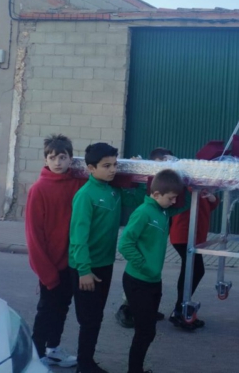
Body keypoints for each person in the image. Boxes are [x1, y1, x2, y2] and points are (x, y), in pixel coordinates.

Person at [69, 142, 140, 373]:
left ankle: (87, 361)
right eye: (106, 166)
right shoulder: (85, 195)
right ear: (91, 168)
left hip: (105, 265)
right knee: (89, 320)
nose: (113, 170)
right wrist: (83, 270)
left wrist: (136, 174)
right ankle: (84, 365)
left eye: (115, 165)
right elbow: (78, 237)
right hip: (86, 268)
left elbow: (137, 200)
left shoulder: (113, 190)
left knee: (96, 317)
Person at [118, 169, 186, 373]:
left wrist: (191, 185)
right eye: (171, 198)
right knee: (144, 331)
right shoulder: (144, 212)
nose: (174, 202)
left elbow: (185, 204)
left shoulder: (163, 211)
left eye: (175, 198)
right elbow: (125, 244)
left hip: (153, 280)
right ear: (156, 194)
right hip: (138, 281)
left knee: (148, 331)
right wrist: (145, 266)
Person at [25, 134, 84, 368]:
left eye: (62, 157)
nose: (58, 162)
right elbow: (34, 236)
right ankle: (35, 355)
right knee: (46, 311)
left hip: (71, 263)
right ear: (45, 160)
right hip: (50, 266)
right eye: (52, 158)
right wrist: (46, 273)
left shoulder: (77, 184)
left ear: (71, 159)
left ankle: (53, 349)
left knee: (62, 308)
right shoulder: (38, 189)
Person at [115, 147, 176, 328]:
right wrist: (143, 265)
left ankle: (144, 310)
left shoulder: (165, 200)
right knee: (136, 290)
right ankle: (127, 309)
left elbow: (179, 200)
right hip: (142, 226)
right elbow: (125, 244)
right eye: (160, 164)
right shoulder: (146, 189)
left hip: (151, 251)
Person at [169, 188, 218, 329]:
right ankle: (180, 310)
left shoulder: (201, 187)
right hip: (184, 235)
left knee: (191, 271)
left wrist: (212, 199)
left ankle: (182, 309)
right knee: (194, 271)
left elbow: (207, 207)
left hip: (194, 236)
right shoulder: (188, 186)